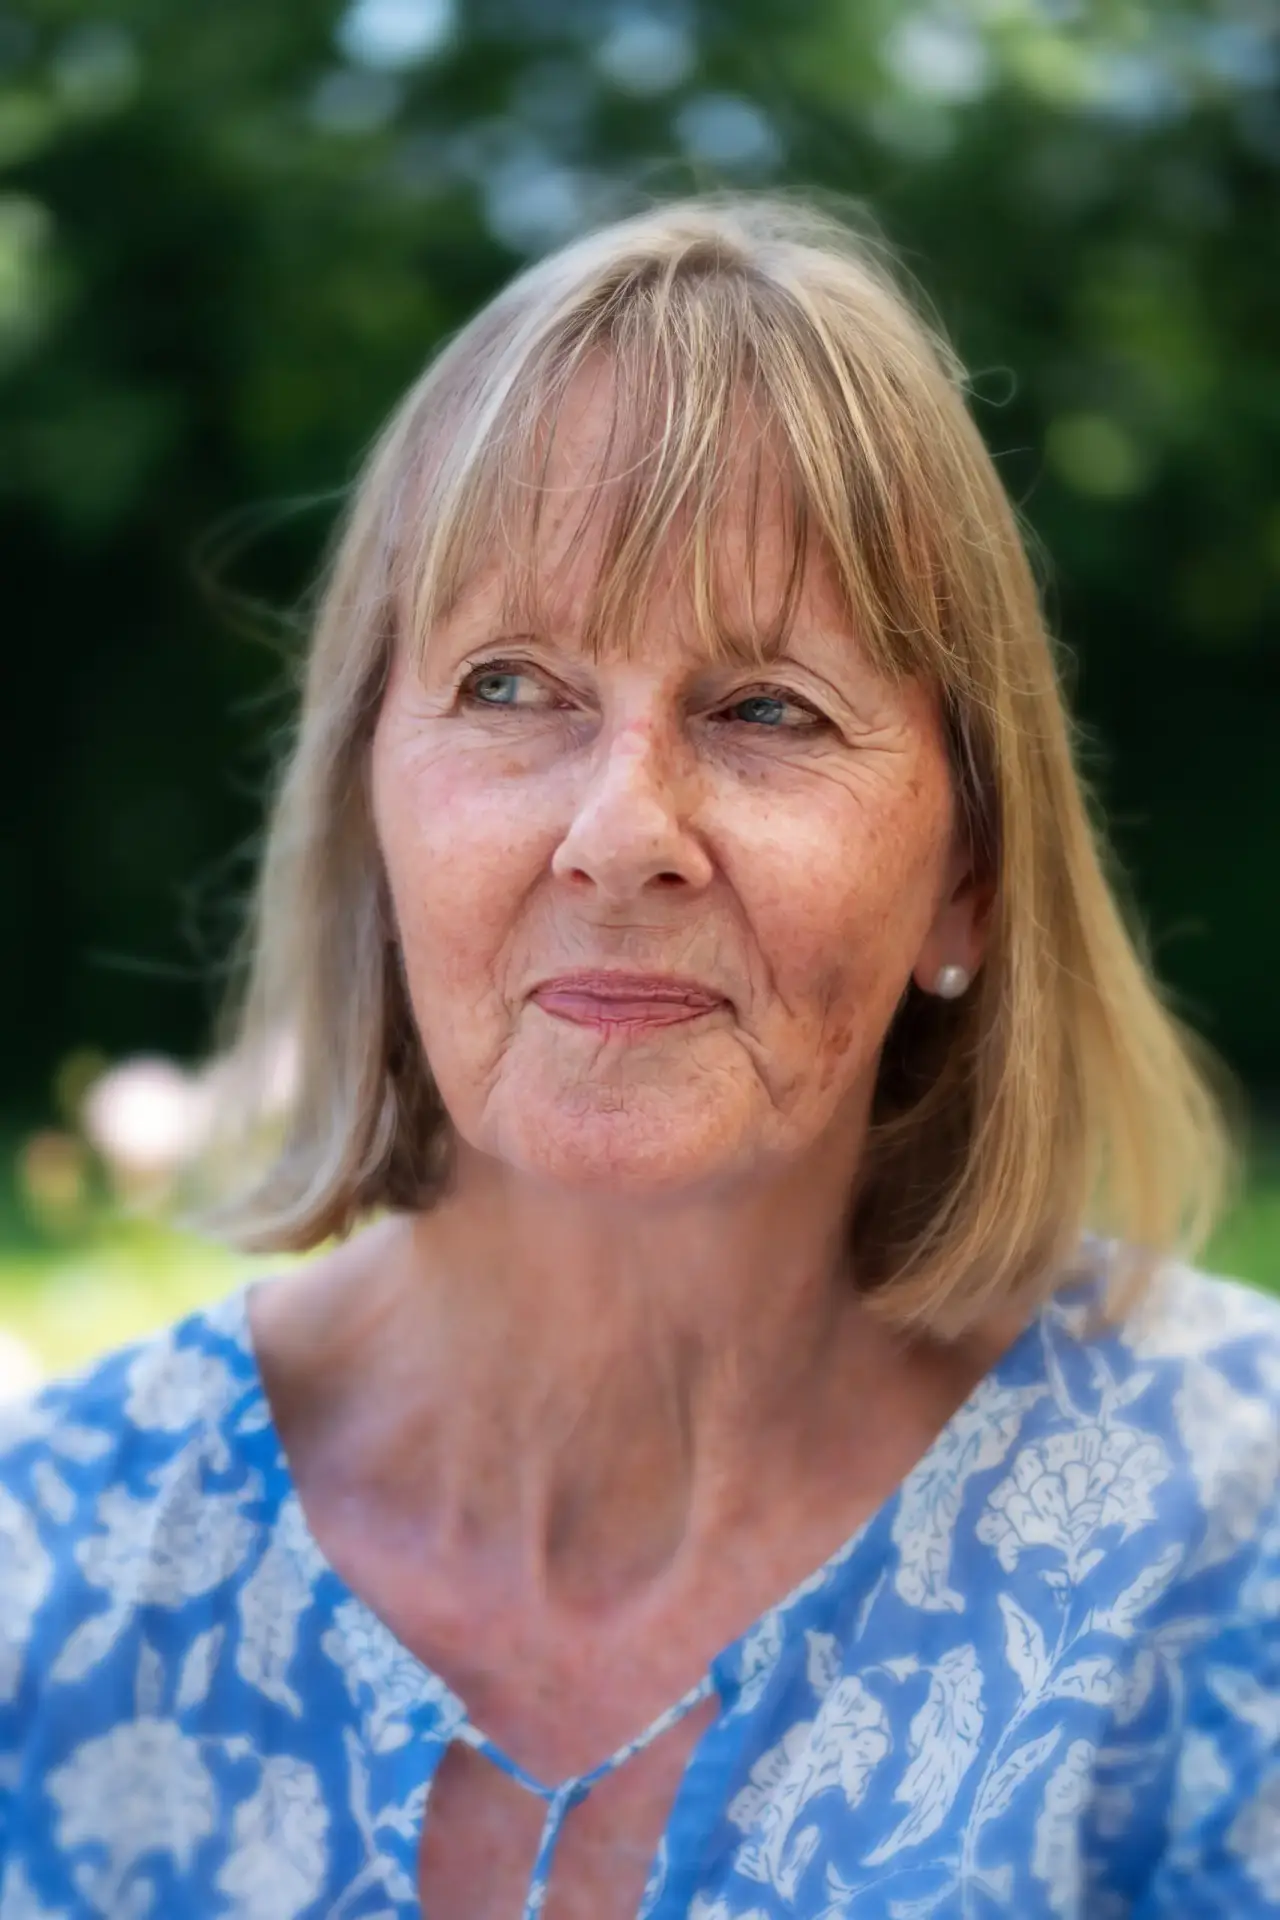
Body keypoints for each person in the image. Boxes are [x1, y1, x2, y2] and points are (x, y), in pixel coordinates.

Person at [1, 195, 1277, 1920]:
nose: (622, 836)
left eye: (767, 710)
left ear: (964, 878)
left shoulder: (1234, 1539)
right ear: (372, 803)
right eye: (513, 687)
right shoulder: (50, 1566)